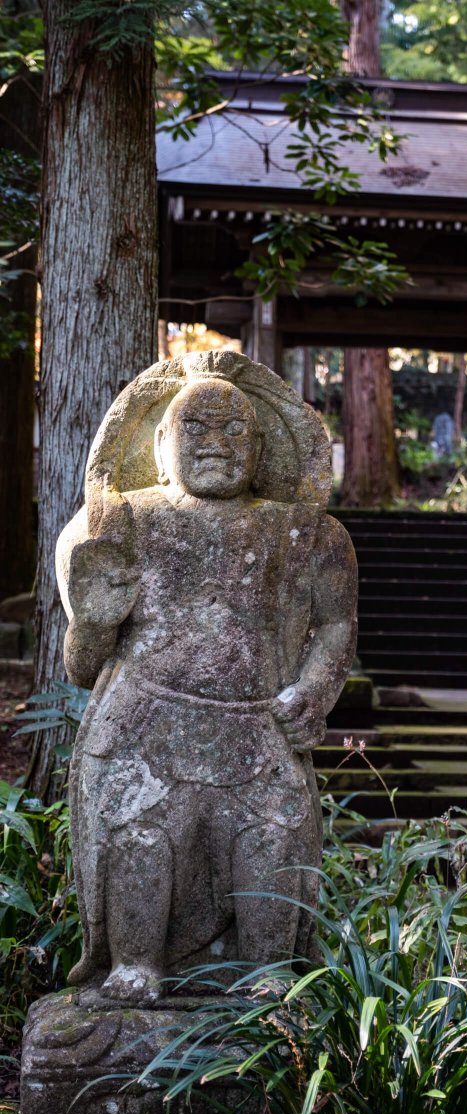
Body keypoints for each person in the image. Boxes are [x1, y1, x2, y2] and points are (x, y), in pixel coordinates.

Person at [58, 375, 357, 1004]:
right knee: (138, 838)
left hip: (256, 723)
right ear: (162, 442)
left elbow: (336, 628)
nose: (215, 442)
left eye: (235, 428)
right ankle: (135, 967)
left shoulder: (307, 533)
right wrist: (92, 622)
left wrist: (314, 689)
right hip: (141, 724)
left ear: (262, 449)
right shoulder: (117, 523)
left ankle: (268, 972)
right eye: (195, 427)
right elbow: (84, 668)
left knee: (269, 839)